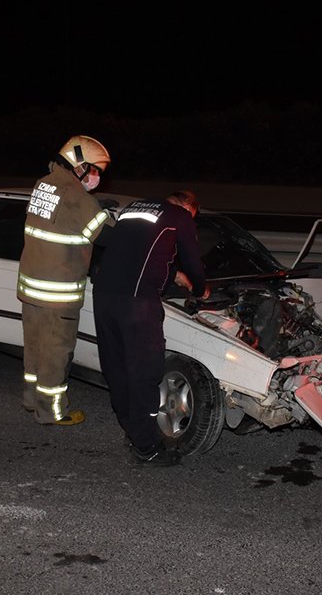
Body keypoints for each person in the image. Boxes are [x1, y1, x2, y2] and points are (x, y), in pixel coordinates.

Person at [92, 190, 209, 466]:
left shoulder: (134, 207)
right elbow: (192, 259)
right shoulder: (180, 216)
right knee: (146, 369)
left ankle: (132, 430)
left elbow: (138, 254)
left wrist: (171, 277)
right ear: (188, 206)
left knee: (117, 365)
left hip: (104, 295)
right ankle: (147, 447)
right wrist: (202, 289)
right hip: (136, 303)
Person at [16, 135, 113, 425]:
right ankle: (52, 412)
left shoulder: (44, 183)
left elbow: (62, 220)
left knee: (34, 347)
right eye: (93, 170)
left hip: (32, 285)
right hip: (58, 293)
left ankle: (31, 399)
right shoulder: (76, 196)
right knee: (56, 353)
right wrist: (106, 214)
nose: (96, 177)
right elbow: (106, 235)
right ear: (78, 163)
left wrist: (94, 205)